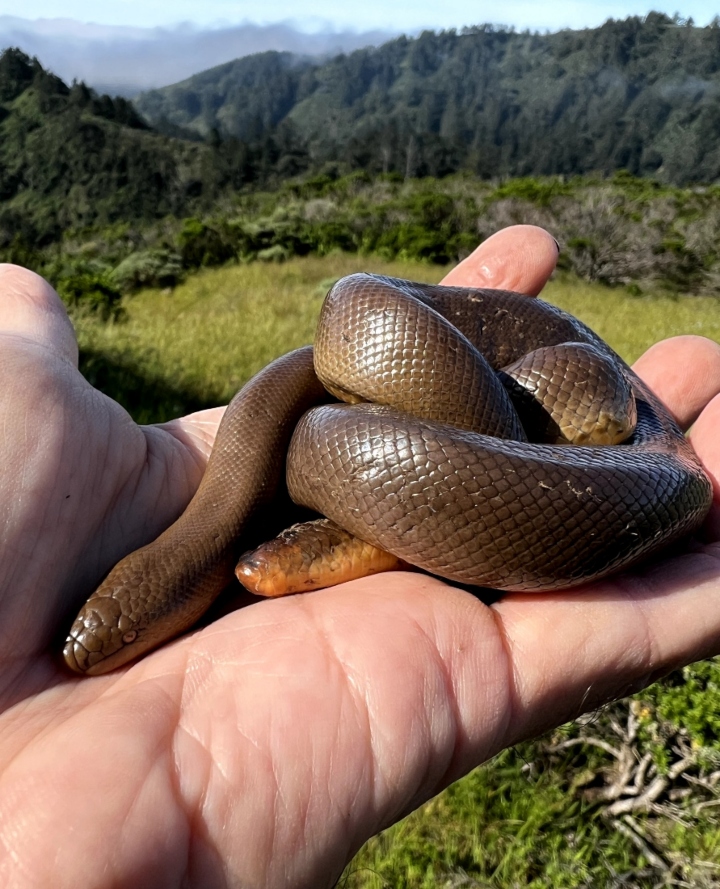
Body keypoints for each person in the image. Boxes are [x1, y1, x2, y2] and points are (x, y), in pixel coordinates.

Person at [0, 224, 718, 887]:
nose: (98, 646)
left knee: (380, 406)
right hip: (451, 403)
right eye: (123, 628)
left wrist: (542, 462)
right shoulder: (307, 420)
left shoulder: (359, 395)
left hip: (556, 412)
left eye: (123, 632)